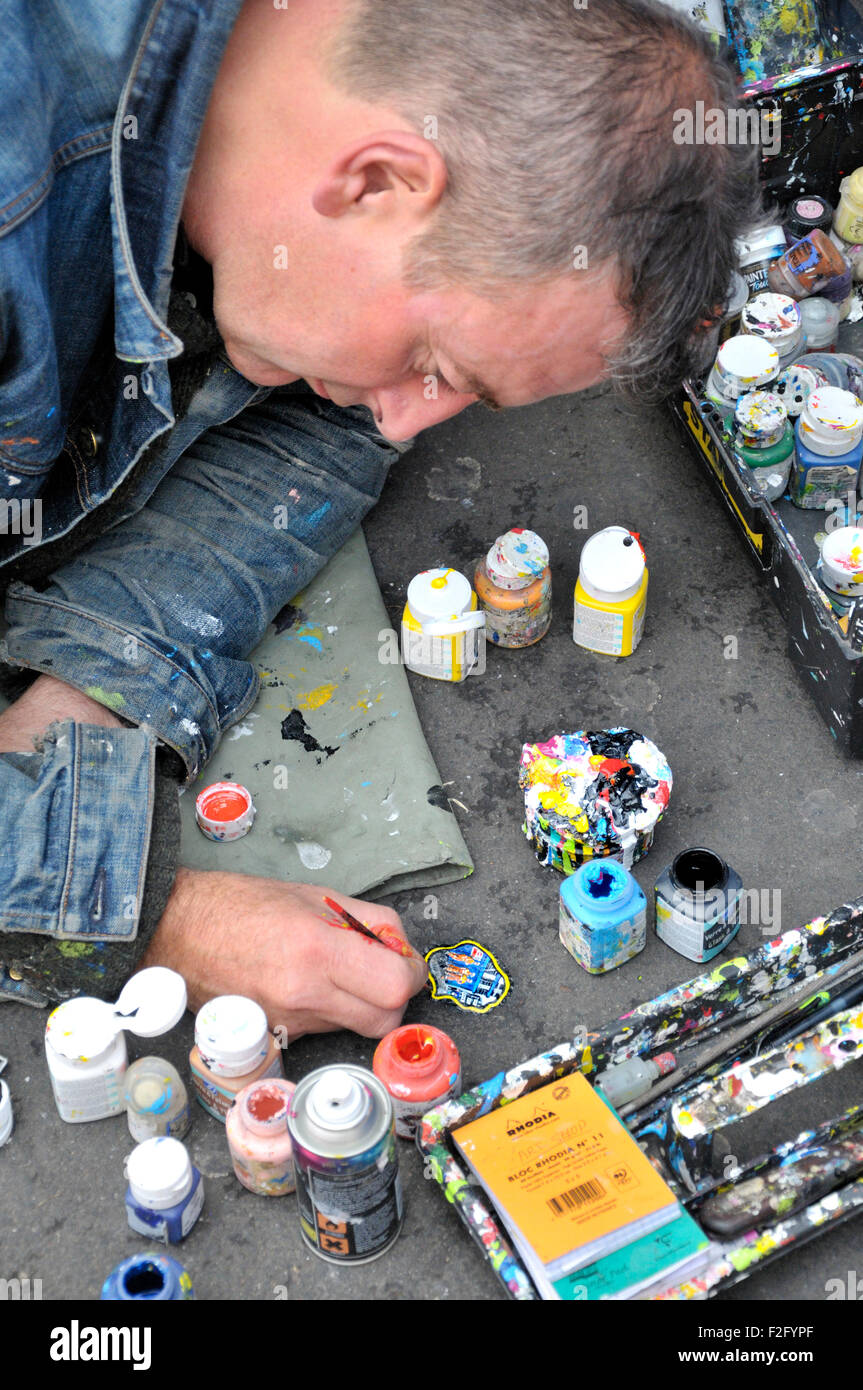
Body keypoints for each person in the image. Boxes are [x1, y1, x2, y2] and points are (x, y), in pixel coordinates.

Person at [0, 0, 758, 1035]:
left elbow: (323, 431)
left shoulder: (339, 161)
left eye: (463, 393)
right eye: (432, 369)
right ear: (376, 180)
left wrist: (91, 683)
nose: (402, 420)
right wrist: (148, 913)